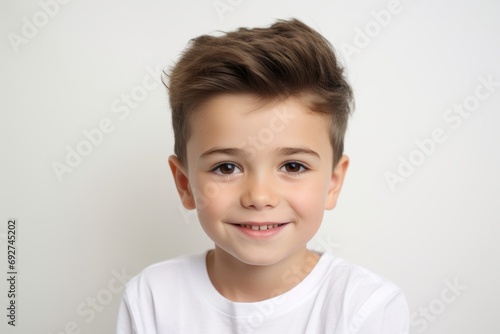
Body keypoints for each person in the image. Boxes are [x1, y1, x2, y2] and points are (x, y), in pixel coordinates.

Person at [116, 18, 409, 333]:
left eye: (293, 166)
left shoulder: (365, 307)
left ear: (333, 183)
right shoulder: (152, 298)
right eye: (226, 167)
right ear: (185, 184)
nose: (259, 196)